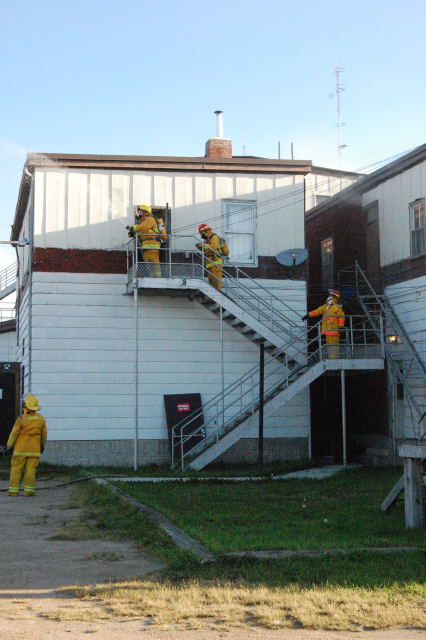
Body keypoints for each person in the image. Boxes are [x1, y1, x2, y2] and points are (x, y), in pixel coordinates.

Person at [7, 394, 47, 496]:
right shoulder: (41, 419)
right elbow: (44, 435)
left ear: (25, 405)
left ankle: (13, 491)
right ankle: (29, 491)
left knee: (16, 470)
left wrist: (9, 445)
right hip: (34, 450)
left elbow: (14, 434)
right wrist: (42, 445)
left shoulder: (21, 419)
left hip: (20, 450)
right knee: (30, 471)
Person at [303, 289, 345, 359]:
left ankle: (334, 360)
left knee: (333, 346)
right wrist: (308, 315)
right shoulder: (326, 306)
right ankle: (332, 359)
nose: (328, 296)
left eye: (330, 295)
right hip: (328, 330)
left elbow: (341, 316)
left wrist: (341, 326)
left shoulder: (336, 307)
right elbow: (318, 311)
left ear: (333, 296)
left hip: (333, 330)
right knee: (330, 346)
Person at [129, 204, 162, 277]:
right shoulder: (143, 222)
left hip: (152, 244)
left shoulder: (150, 219)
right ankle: (152, 275)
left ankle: (157, 276)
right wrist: (132, 233)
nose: (139, 213)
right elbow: (141, 232)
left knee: (153, 260)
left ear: (145, 212)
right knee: (148, 262)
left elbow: (143, 227)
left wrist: (134, 227)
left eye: (140, 212)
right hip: (147, 245)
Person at [196, 223, 224, 290]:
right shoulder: (207, 239)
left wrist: (202, 245)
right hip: (211, 264)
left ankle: (218, 293)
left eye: (201, 233)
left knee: (216, 282)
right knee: (212, 281)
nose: (201, 235)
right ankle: (214, 291)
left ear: (205, 231)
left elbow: (213, 248)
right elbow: (207, 249)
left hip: (215, 263)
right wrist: (200, 247)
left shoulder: (214, 237)